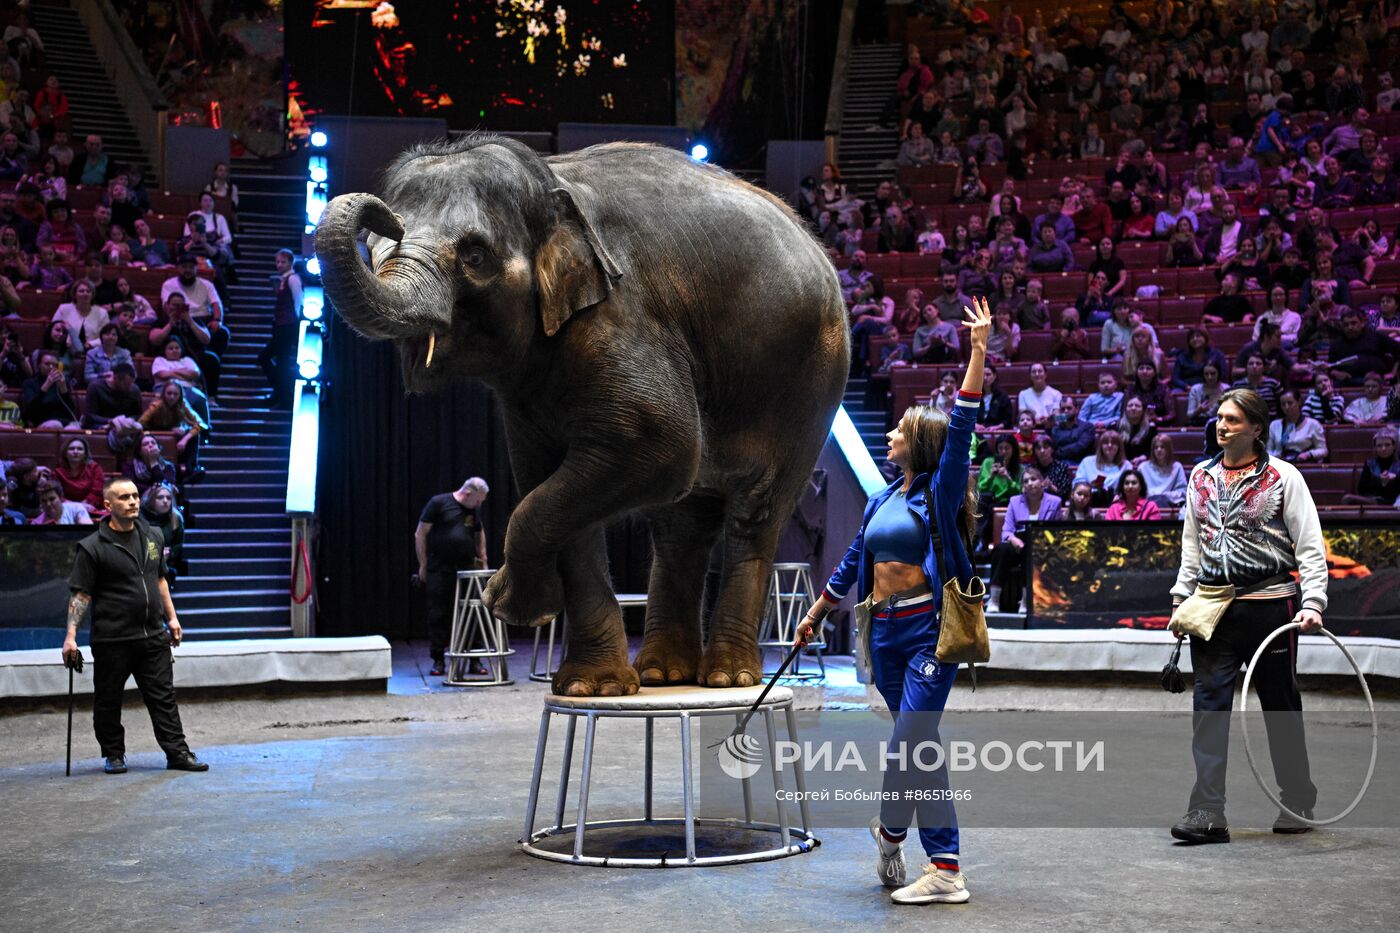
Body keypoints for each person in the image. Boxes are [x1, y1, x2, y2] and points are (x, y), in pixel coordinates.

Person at [794, 298, 990, 906]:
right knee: (917, 743)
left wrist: (978, 350)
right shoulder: (883, 498)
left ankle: (940, 865)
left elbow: (962, 430)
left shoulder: (940, 486)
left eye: (902, 430)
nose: (894, 434)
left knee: (911, 739)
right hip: (882, 632)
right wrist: (818, 609)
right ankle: (902, 836)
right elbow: (856, 558)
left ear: (921, 443)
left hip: (931, 631)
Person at [1169, 388, 1326, 844]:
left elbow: (1310, 546)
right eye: (1220, 418)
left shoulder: (1284, 476)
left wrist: (1313, 602)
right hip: (1212, 608)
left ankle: (1297, 800)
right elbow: (1192, 545)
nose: (1222, 426)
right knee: (1209, 709)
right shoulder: (1199, 476)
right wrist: (1181, 597)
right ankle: (1207, 812)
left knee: (1280, 707)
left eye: (1233, 420)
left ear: (1257, 428)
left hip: (1272, 608)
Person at [63, 476, 208, 775]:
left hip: (152, 634)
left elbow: (160, 579)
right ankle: (114, 754)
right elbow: (81, 594)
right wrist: (71, 637)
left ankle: (177, 752)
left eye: (134, 496)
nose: (131, 502)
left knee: (163, 697)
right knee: (108, 700)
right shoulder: (92, 547)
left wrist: (172, 617)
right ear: (107, 505)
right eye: (123, 498)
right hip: (112, 638)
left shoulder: (153, 536)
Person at [414, 477, 491, 677]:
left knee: (472, 613)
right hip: (440, 569)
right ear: (468, 493)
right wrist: (423, 565)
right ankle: (438, 660)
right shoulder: (439, 503)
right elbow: (420, 533)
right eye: (478, 500)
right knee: (438, 614)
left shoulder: (473, 509)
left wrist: (482, 558)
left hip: (466, 569)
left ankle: (475, 660)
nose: (479, 504)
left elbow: (479, 532)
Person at [989, 464, 1061, 612]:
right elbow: (1007, 531)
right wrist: (1014, 540)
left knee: (1030, 550)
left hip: (1043, 547)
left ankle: (1025, 602)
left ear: (1042, 482)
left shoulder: (1055, 502)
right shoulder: (1015, 501)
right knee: (1001, 549)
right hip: (1017, 544)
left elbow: (1056, 532)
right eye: (1026, 481)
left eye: (1033, 479)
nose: (1029, 483)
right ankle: (994, 600)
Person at [141, 482, 187, 586]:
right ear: (152, 500)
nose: (165, 501)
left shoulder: (175, 518)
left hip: (167, 561)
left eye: (168, 498)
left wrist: (170, 553)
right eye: (160, 497)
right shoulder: (140, 517)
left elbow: (178, 545)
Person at [20, 349, 79, 429]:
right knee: (55, 424)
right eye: (47, 364)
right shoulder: (29, 383)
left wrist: (63, 388)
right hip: (42, 422)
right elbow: (31, 409)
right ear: (39, 365)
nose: (51, 367)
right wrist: (46, 385)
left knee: (74, 428)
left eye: (54, 365)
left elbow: (70, 409)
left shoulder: (63, 382)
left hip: (65, 422)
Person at [1267, 391, 1327, 463]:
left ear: (1299, 402)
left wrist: (1308, 454)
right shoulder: (1274, 425)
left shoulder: (1313, 424)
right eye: (1283, 404)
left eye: (1290, 403)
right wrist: (1275, 456)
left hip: (1303, 464)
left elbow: (1323, 450)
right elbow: (1268, 450)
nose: (1287, 407)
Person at [1074, 430, 1126, 507]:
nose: (1109, 445)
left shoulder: (1126, 465)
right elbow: (1077, 484)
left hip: (1117, 502)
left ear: (1119, 447)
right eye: (1105, 443)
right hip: (1088, 501)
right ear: (1100, 446)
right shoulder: (1087, 461)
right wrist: (1089, 485)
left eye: (1114, 443)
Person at [56, 436, 105, 512]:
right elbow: (56, 495)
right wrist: (77, 507)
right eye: (71, 449)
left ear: (85, 453)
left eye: (80, 449)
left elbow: (97, 492)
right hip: (66, 509)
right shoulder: (58, 471)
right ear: (65, 453)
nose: (75, 452)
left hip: (89, 508)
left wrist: (83, 506)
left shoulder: (94, 468)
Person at [125, 434, 181, 498]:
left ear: (159, 448)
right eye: (146, 444)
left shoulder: (168, 466)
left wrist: (153, 462)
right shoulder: (130, 466)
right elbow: (131, 486)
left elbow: (166, 486)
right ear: (139, 451)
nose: (150, 445)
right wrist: (153, 489)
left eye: (153, 443)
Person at [1142, 434, 1188, 507]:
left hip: (1169, 503)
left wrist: (1166, 496)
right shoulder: (1143, 467)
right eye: (1156, 447)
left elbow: (1183, 491)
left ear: (1168, 449)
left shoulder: (1177, 467)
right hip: (1147, 504)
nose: (1159, 450)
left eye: (1162, 447)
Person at [1187, 361, 1226, 426]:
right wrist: (1198, 410)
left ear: (1219, 373)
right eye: (1206, 374)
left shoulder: (1226, 389)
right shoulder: (1195, 389)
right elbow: (1189, 414)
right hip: (1199, 424)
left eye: (1213, 373)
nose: (1209, 377)